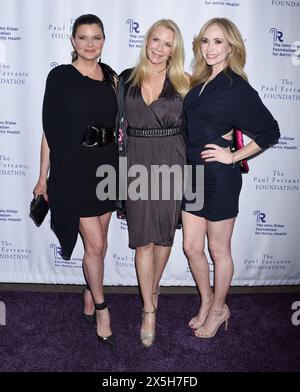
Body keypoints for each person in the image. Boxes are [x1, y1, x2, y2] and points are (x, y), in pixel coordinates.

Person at [181, 18, 280, 338]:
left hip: (220, 177)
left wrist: (233, 156)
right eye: (205, 41)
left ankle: (221, 308)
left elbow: (270, 131)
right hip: (192, 173)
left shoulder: (236, 87)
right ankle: (208, 299)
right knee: (191, 247)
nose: (210, 48)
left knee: (218, 250)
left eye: (218, 42)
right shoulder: (198, 84)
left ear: (231, 47)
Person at [33, 14, 118, 348]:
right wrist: (43, 179)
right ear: (72, 41)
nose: (89, 44)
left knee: (102, 243)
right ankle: (102, 308)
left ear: (103, 40)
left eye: (96, 37)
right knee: (94, 245)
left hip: (108, 168)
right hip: (75, 168)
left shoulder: (111, 77)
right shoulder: (60, 77)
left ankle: (88, 291)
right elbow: (49, 131)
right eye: (83, 37)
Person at [117, 19, 189, 348]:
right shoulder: (126, 80)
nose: (159, 48)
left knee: (163, 237)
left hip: (172, 160)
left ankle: (154, 290)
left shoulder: (184, 83)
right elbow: (115, 124)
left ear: (175, 49)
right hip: (135, 162)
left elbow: (199, 126)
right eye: (155, 40)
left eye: (167, 43)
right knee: (142, 240)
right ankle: (149, 310)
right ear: (146, 41)